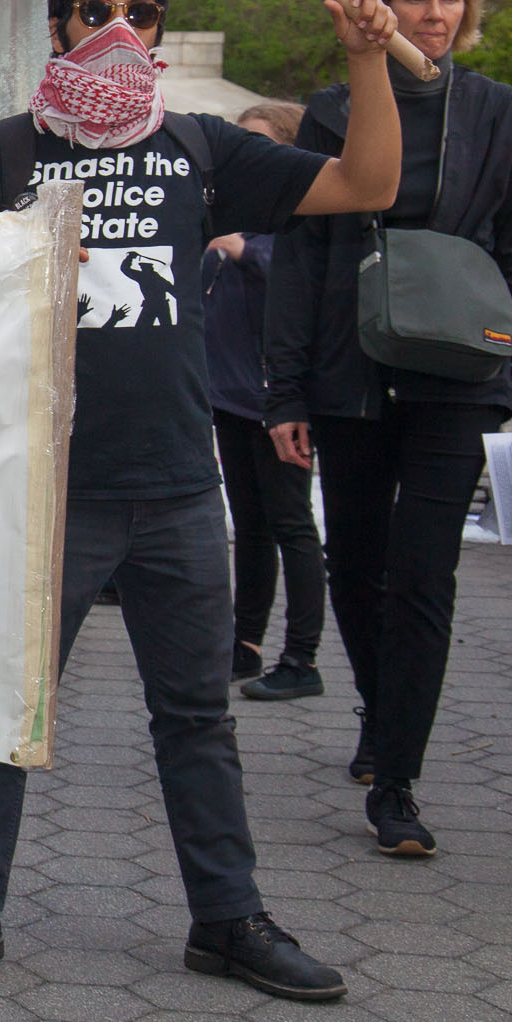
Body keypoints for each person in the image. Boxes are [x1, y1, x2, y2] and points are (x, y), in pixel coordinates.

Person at [0, 0, 401, 1005]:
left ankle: (226, 917)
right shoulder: (5, 150)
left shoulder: (201, 147)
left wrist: (364, 57)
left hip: (177, 488)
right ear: (57, 27)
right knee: (6, 710)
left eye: (141, 13)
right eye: (96, 12)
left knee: (196, 716)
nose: (119, 31)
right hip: (48, 490)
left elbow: (368, 178)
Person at [264, 0, 512, 859]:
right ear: (382, 2)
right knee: (355, 564)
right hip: (352, 369)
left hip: (460, 375)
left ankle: (397, 782)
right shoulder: (333, 110)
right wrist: (285, 392)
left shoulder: (507, 118)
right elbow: (302, 258)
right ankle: (379, 714)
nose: (437, 14)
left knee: (426, 576)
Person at [204, 102, 329, 700]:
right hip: (230, 396)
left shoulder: (290, 220)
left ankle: (302, 656)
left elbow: (295, 279)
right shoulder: (238, 213)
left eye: (258, 144)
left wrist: (239, 249)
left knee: (291, 525)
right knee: (250, 526)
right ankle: (245, 643)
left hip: (276, 400)